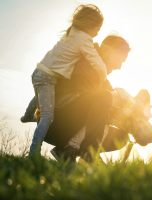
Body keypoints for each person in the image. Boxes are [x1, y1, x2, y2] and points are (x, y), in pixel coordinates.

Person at [43, 34, 152, 163]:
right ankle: (86, 151)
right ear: (105, 51)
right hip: (55, 123)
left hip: (69, 128)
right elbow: (95, 99)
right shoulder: (86, 63)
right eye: (118, 60)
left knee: (121, 138)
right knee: (106, 98)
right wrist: (118, 112)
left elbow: (116, 96)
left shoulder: (101, 75)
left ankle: (70, 151)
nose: (119, 66)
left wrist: (120, 117)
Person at [21, 4, 107, 155]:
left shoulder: (72, 32)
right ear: (89, 27)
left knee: (43, 95)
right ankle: (33, 154)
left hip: (39, 73)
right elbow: (96, 61)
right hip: (46, 78)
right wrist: (103, 77)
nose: (97, 34)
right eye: (97, 30)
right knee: (47, 117)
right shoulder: (84, 39)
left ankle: (27, 116)